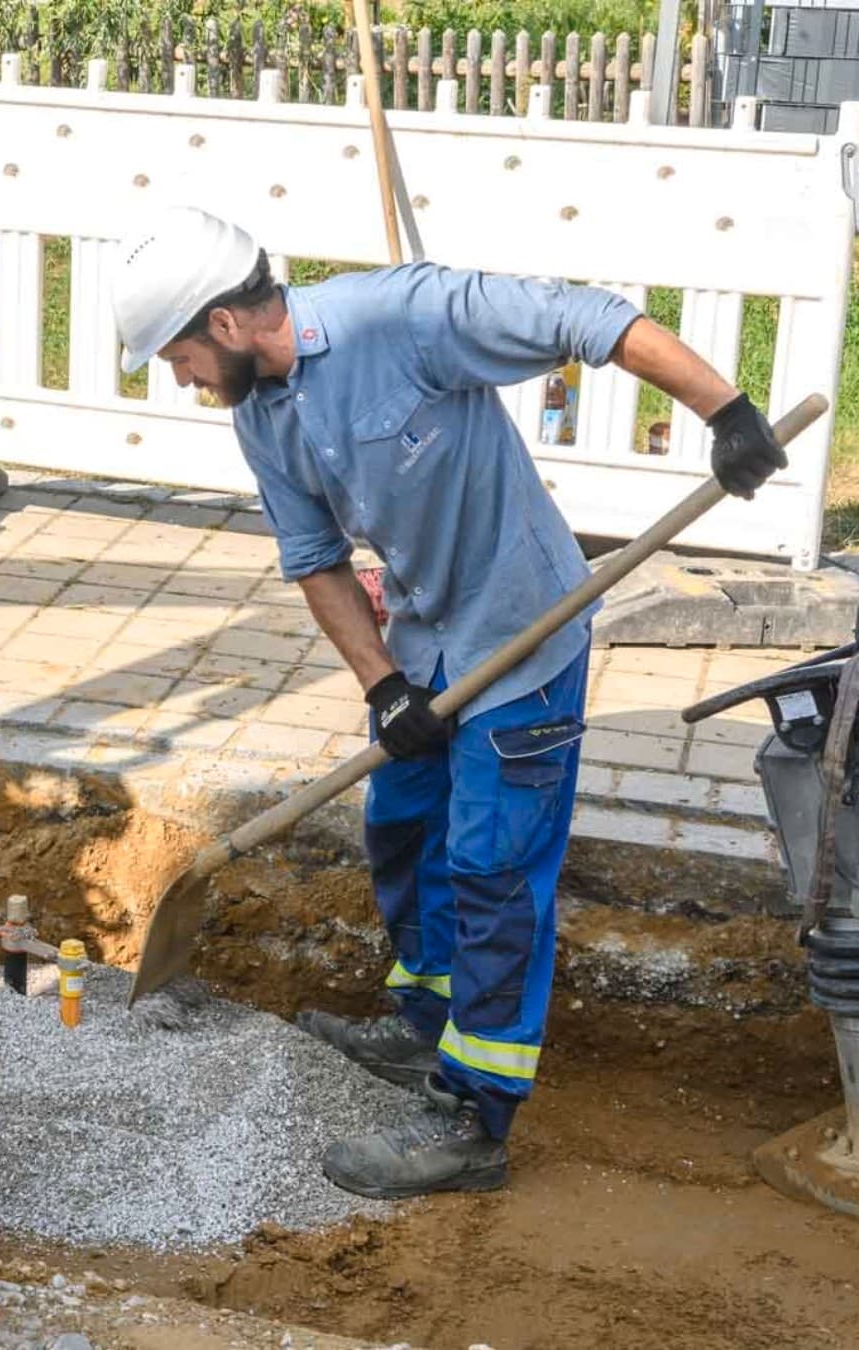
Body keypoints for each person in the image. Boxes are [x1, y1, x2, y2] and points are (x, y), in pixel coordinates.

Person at [110, 205, 787, 1200]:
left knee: (492, 874)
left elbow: (590, 322)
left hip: (524, 641)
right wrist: (384, 686)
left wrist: (725, 412)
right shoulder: (264, 416)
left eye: (175, 357)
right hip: (424, 644)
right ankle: (422, 1025)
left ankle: (476, 1117)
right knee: (404, 831)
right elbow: (315, 561)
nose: (181, 381)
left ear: (222, 324)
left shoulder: (405, 315)